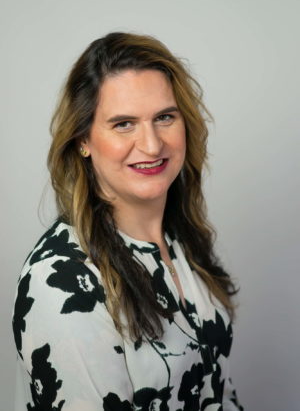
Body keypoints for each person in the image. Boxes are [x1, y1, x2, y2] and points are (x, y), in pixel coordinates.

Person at [12, 32, 243, 410]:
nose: (152, 145)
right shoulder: (64, 284)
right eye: (123, 124)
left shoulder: (180, 241)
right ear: (83, 138)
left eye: (165, 117)